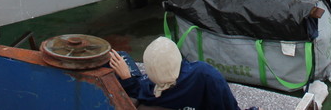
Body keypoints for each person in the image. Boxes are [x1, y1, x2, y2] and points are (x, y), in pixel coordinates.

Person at [109, 36, 257, 110]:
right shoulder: (204, 73)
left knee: (119, 55)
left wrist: (127, 78)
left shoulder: (154, 91)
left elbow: (139, 90)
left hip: (150, 88)